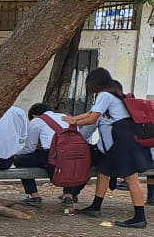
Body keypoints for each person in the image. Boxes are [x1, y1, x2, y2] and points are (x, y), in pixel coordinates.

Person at [63, 68, 149, 228]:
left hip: (121, 142)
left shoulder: (104, 95)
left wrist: (74, 122)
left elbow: (92, 119)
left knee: (131, 178)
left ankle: (140, 217)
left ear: (94, 83)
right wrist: (73, 119)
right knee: (103, 171)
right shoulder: (115, 95)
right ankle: (96, 206)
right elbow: (90, 113)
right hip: (120, 141)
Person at [12, 103, 83, 205]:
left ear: (34, 115)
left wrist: (16, 153)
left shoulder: (37, 121)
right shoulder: (67, 117)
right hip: (75, 156)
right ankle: (68, 196)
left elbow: (29, 148)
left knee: (20, 161)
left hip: (51, 156)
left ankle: (34, 195)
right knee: (67, 160)